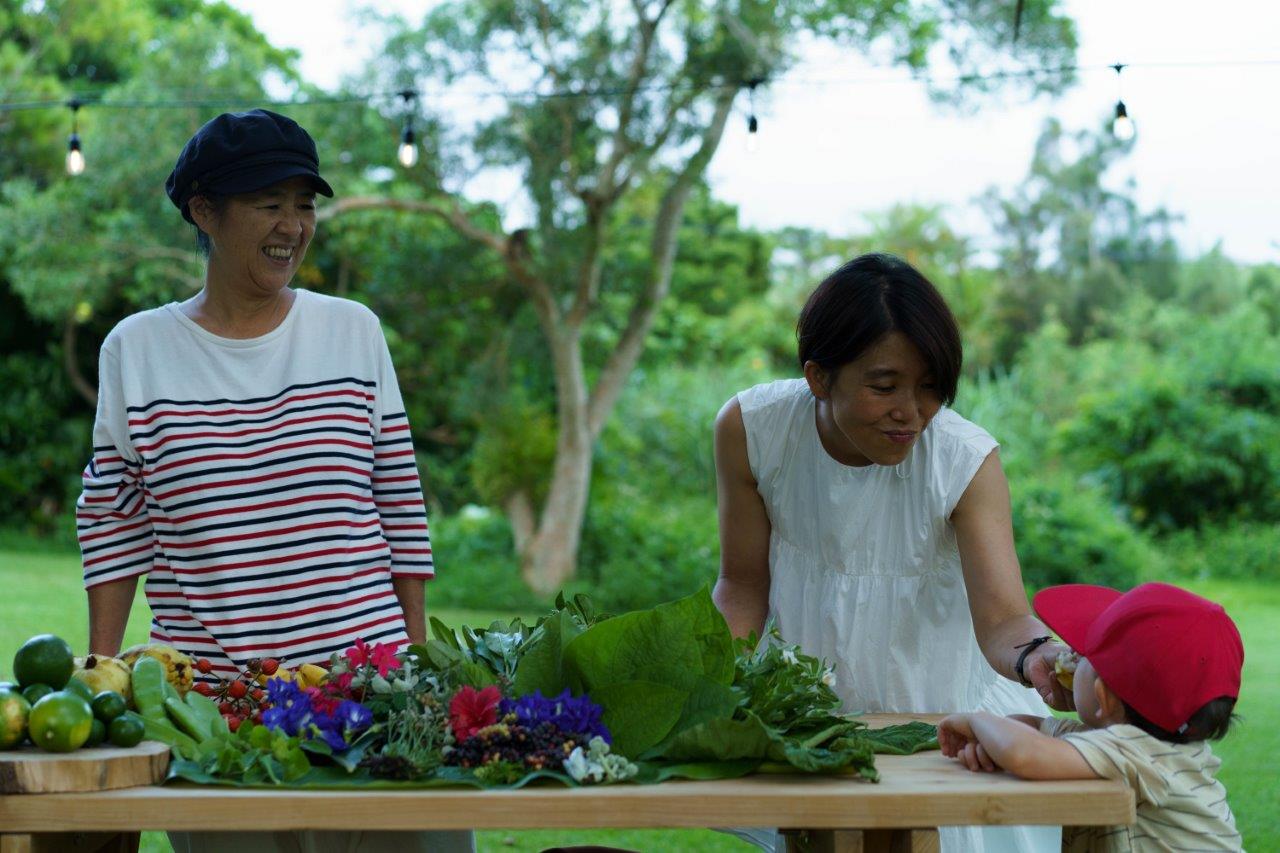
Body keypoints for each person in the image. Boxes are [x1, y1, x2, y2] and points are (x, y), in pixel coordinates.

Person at [76, 108, 471, 853]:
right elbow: (113, 514)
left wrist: (417, 668)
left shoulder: (353, 330)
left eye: (304, 204)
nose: (292, 225)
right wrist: (101, 676)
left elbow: (398, 496)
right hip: (222, 710)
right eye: (268, 203)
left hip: (372, 693)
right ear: (204, 211)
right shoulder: (138, 349)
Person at [712, 253, 1070, 852]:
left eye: (931, 388)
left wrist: (1038, 653)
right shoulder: (754, 430)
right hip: (813, 725)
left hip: (947, 726)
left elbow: (1004, 618)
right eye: (885, 386)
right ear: (819, 377)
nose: (912, 411)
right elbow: (743, 589)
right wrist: (711, 690)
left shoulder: (964, 460)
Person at [938, 582, 1243, 851]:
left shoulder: (1136, 751)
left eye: (1081, 655)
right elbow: (1036, 729)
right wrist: (992, 742)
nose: (1067, 655)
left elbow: (1025, 753)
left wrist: (979, 720)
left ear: (1103, 698)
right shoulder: (1145, 742)